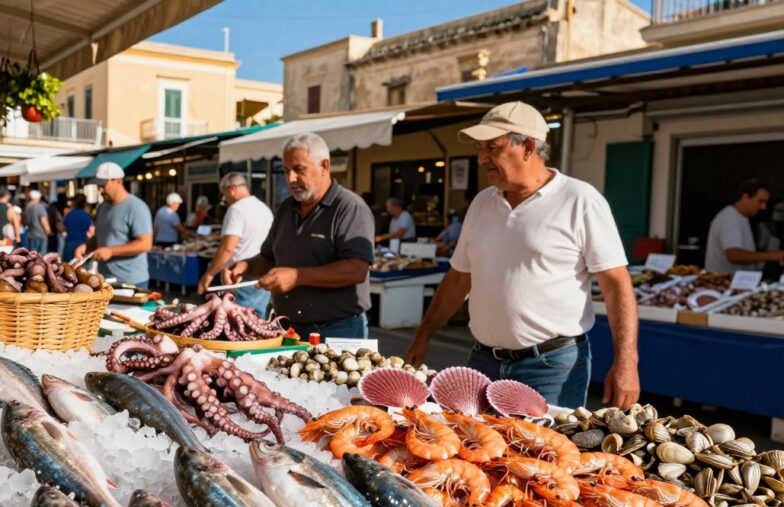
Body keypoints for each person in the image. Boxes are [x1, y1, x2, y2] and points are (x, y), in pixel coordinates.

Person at [404, 101, 640, 410]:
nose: (481, 158)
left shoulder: (580, 200)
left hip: (551, 367)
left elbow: (616, 284)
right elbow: (459, 278)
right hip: (482, 360)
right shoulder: (482, 203)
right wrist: (423, 335)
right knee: (478, 452)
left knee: (546, 455)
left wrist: (626, 362)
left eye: (492, 147)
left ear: (528, 146)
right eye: (481, 148)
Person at [225, 133, 375, 339]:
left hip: (337, 330)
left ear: (324, 166)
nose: (290, 179)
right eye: (286, 171)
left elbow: (356, 270)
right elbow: (269, 258)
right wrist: (245, 266)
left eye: (299, 170)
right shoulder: (286, 208)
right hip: (288, 328)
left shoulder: (349, 207)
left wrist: (297, 277)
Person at [198, 173, 275, 316]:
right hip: (262, 274)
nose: (224, 198)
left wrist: (209, 275)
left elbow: (227, 248)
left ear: (232, 188)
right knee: (257, 322)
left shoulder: (236, 209)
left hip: (240, 276)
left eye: (224, 192)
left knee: (239, 322)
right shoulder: (264, 208)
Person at [75, 162, 153, 288]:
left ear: (118, 181)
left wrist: (111, 251)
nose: (99, 189)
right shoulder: (102, 207)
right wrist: (86, 246)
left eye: (103, 184)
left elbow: (145, 244)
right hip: (105, 279)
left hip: (131, 280)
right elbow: (100, 236)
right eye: (98, 185)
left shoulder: (136, 207)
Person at [705, 179, 784, 273]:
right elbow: (734, 255)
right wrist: (773, 256)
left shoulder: (741, 217)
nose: (763, 207)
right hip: (725, 284)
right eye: (760, 201)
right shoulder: (730, 218)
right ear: (745, 197)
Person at [62, 194, 94, 262]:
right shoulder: (85, 215)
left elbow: (64, 227)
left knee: (67, 266)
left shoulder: (69, 214)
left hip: (70, 242)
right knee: (81, 265)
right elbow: (90, 228)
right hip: (82, 242)